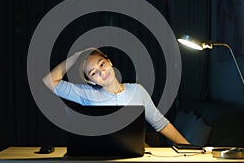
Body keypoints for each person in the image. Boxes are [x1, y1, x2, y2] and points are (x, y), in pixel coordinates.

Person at [43, 48, 189, 145]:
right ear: (90, 81)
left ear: (110, 62)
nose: (101, 72)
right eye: (93, 73)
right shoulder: (86, 94)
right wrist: (75, 57)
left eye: (102, 64)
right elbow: (49, 81)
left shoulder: (137, 91)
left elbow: (161, 124)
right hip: (100, 157)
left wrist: (191, 149)